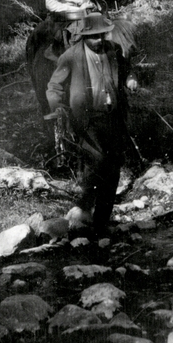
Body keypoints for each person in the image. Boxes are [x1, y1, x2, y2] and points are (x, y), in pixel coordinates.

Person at [46, 13, 132, 237]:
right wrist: (57, 106)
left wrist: (131, 80)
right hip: (86, 120)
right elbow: (54, 85)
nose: (99, 40)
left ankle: (101, 222)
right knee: (98, 160)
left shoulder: (112, 50)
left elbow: (126, 71)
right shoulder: (71, 56)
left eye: (102, 35)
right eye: (94, 36)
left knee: (113, 167)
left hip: (112, 117)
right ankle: (84, 205)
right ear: (85, 36)